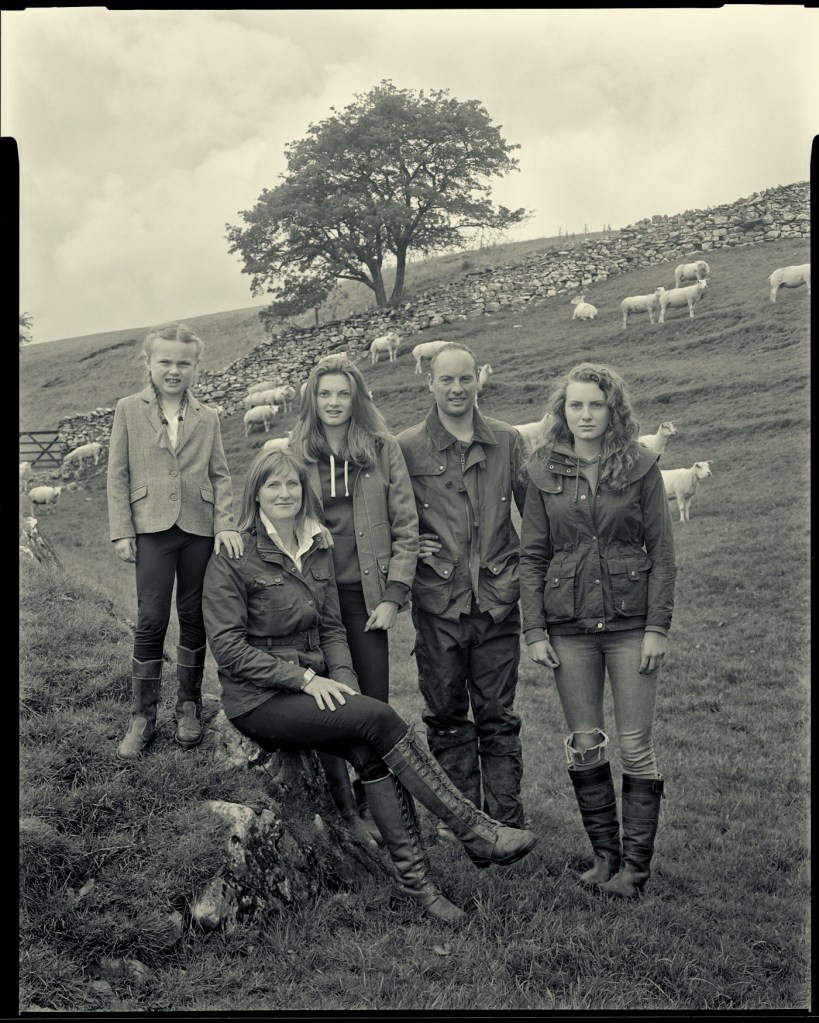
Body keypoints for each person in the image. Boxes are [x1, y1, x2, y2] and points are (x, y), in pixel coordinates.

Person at [201, 449, 539, 927]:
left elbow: (334, 630)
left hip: (313, 685)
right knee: (380, 718)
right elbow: (229, 649)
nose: (284, 493)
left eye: (292, 485)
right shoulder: (235, 554)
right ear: (255, 491)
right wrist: (303, 679)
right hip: (258, 697)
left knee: (371, 747)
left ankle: (418, 888)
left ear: (304, 492)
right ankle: (476, 830)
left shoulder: (318, 544)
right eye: (272, 485)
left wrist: (343, 685)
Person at [518, 362, 677, 899]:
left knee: (634, 744)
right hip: (568, 628)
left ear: (614, 410)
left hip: (632, 626)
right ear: (562, 411)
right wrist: (534, 629)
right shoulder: (541, 469)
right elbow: (533, 554)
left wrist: (657, 627)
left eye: (596, 405)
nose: (585, 415)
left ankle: (635, 868)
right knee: (585, 742)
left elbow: (664, 554)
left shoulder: (641, 465)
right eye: (575, 405)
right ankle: (604, 857)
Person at [396, 343, 529, 839]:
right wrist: (408, 543)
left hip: (497, 601)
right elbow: (389, 517)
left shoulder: (508, 440)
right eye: (446, 380)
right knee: (447, 714)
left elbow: (534, 517)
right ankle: (462, 823)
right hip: (437, 603)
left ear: (480, 380)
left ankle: (506, 820)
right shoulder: (405, 447)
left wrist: (519, 577)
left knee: (498, 714)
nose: (456, 389)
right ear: (428, 383)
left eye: (465, 379)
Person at [287, 354, 418, 848]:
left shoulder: (382, 449)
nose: (334, 403)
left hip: (368, 599)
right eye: (325, 394)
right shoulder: (297, 452)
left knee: (373, 702)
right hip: (316, 600)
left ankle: (381, 806)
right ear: (312, 400)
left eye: (343, 393)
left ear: (357, 397)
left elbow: (406, 525)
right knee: (327, 702)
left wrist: (395, 594)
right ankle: (346, 810)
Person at [107, 322, 243, 760]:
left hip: (199, 530)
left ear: (195, 367)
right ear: (148, 363)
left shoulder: (209, 417)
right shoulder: (128, 409)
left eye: (183, 363)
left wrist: (225, 524)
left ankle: (188, 705)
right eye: (164, 361)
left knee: (193, 615)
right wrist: (123, 530)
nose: (173, 369)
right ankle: (142, 716)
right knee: (150, 619)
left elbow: (220, 476)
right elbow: (117, 474)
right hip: (151, 528)